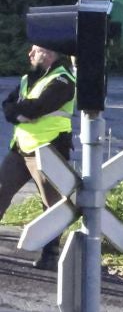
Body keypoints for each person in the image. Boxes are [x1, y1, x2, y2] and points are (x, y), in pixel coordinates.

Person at [1, 44, 76, 269]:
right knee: (2, 189)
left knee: (51, 204)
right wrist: (18, 112)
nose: (30, 54)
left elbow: (38, 107)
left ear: (50, 53)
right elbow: (7, 105)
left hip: (49, 149)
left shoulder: (63, 81)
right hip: (21, 149)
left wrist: (21, 111)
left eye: (36, 50)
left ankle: (50, 254)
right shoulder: (27, 79)